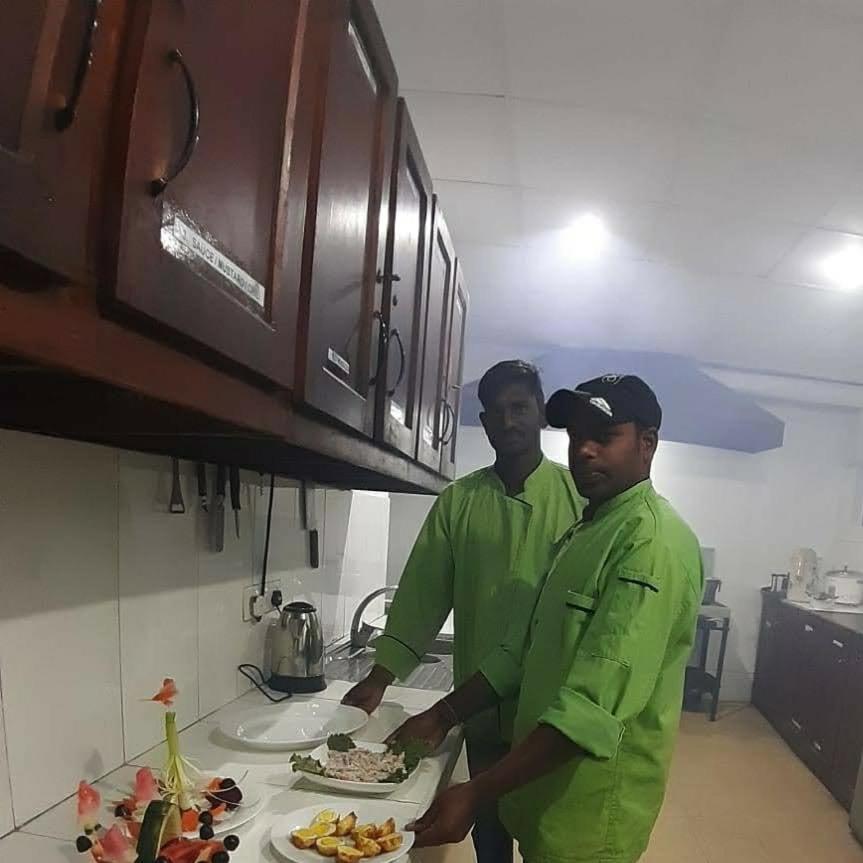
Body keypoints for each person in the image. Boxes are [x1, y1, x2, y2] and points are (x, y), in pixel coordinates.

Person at [389, 374, 704, 863]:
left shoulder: (651, 545)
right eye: (577, 436)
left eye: (604, 436)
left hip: (589, 817)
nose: (585, 450)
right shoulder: (587, 531)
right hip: (543, 795)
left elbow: (588, 713)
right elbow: (522, 648)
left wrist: (475, 792)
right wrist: (442, 715)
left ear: (647, 444)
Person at [342, 359, 582, 863]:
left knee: (545, 833)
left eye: (520, 407)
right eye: (496, 412)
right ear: (485, 423)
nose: (509, 421)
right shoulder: (459, 502)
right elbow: (422, 593)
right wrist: (380, 677)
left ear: (541, 413)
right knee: (488, 832)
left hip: (548, 714)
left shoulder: (579, 499)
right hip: (480, 708)